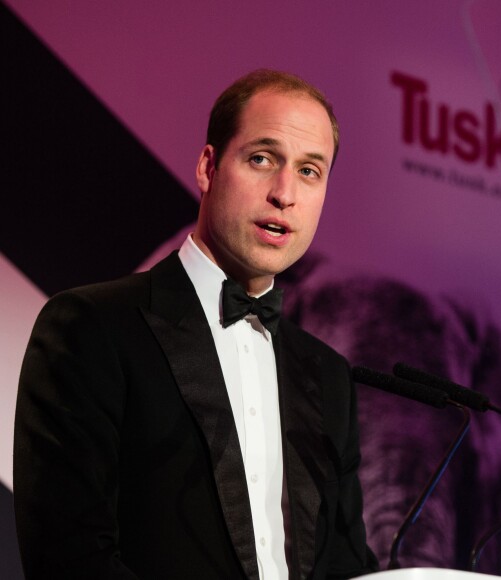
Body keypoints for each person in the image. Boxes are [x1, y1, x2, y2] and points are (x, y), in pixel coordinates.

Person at [13, 69, 378, 580]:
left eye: (310, 171)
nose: (284, 193)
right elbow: (69, 558)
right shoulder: (92, 328)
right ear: (208, 167)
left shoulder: (328, 375)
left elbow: (344, 563)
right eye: (262, 159)